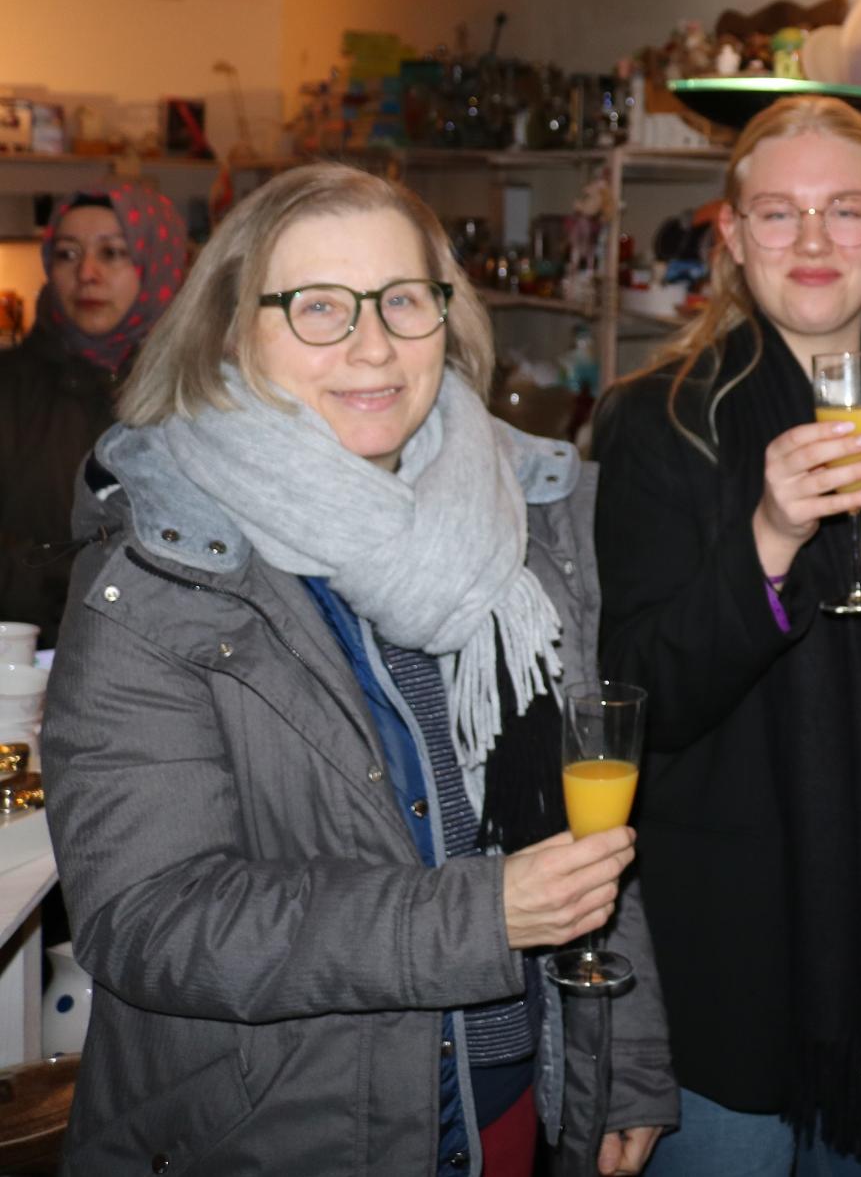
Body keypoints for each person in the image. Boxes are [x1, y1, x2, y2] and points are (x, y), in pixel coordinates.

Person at [44, 164, 675, 1175]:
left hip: (508, 1106)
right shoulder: (159, 566)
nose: (372, 346)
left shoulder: (523, 519)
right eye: (318, 309)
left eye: (402, 301)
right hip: (279, 1132)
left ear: (447, 314)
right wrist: (479, 915)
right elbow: (148, 919)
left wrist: (623, 1057)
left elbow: (582, 820)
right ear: (228, 329)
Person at [594, 96, 861, 1176]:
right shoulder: (660, 423)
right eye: (779, 216)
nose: (817, 243)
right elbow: (641, 695)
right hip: (729, 959)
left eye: (845, 212)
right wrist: (770, 540)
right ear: (731, 238)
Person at [0, 183, 187, 639]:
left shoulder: (198, 394)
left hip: (166, 670)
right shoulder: (9, 385)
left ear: (158, 264)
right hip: (25, 656)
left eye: (113, 253)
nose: (87, 273)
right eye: (67, 254)